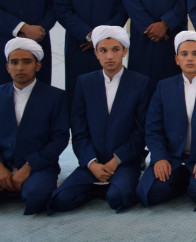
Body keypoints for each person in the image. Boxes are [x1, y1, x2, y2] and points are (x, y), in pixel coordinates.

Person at [48, 26, 150, 214]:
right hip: (92, 161)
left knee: (117, 198)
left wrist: (115, 161)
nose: (109, 56)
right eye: (103, 50)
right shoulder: (85, 82)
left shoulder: (140, 83)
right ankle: (97, 185)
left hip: (124, 161)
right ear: (96, 53)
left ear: (124, 51)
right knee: (61, 200)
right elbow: (79, 130)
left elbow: (140, 131)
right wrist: (91, 163)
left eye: (115, 50)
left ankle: (107, 186)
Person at [136, 31, 196, 209]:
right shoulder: (164, 87)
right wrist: (160, 158)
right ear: (177, 59)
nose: (189, 58)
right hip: (172, 157)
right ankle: (182, 178)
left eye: (195, 54)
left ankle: (191, 181)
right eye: (184, 54)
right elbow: (152, 128)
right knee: (148, 193)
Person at [0, 38, 68, 214]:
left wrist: (28, 167)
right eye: (14, 62)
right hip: (3, 163)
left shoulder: (55, 97)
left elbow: (60, 138)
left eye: (26, 62)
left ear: (37, 66)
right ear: (7, 67)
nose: (20, 68)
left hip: (38, 165)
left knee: (37, 196)